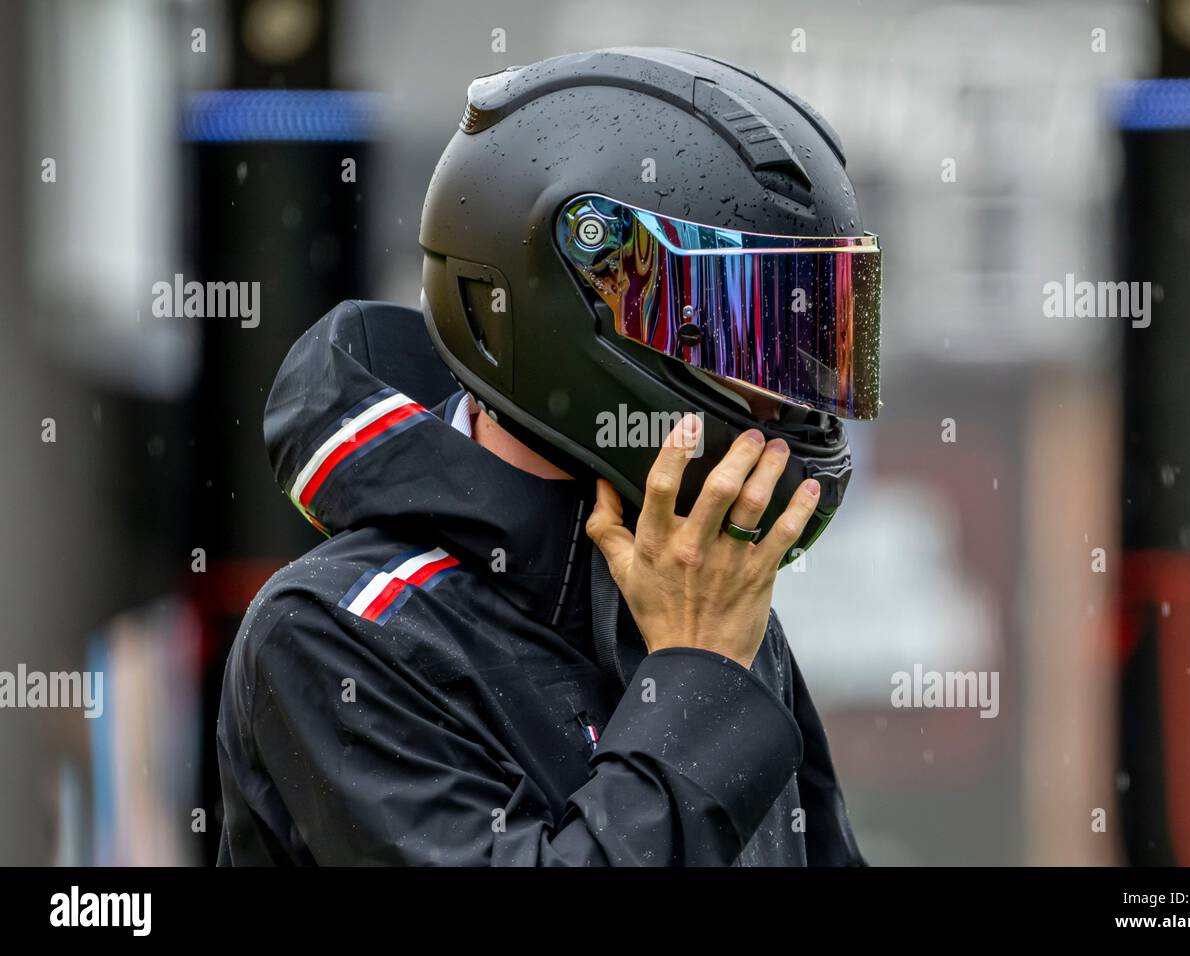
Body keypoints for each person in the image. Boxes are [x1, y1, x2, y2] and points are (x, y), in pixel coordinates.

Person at [216, 47, 881, 866]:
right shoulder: (339, 636)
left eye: (806, 350)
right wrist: (695, 682)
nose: (788, 404)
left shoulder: (694, 594)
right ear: (572, 310)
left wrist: (699, 664)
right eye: (744, 345)